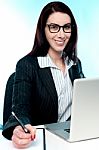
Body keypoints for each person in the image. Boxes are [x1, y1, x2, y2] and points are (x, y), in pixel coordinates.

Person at [2, 1, 85, 149]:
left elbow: (82, 101)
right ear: (43, 29)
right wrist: (18, 129)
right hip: (42, 141)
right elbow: (20, 109)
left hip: (70, 140)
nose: (61, 34)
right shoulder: (27, 65)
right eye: (54, 27)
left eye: (66, 27)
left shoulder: (75, 63)